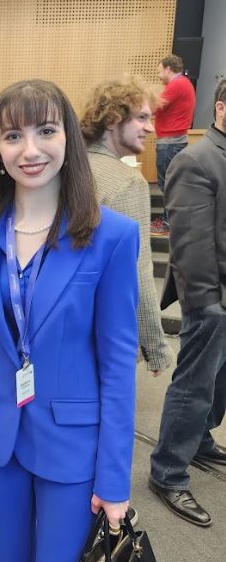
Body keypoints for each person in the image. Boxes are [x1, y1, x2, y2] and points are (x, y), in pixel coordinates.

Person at [0, 79, 139, 562]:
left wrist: (114, 481)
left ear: (68, 136)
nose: (30, 149)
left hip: (72, 442)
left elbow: (117, 365)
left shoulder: (111, 235)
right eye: (13, 135)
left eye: (45, 130)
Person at [149, 78, 226, 527]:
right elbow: (190, 240)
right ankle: (169, 471)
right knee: (194, 386)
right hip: (210, 297)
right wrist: (208, 305)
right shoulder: (197, 160)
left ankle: (199, 442)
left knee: (220, 383)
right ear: (219, 108)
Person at [81, 77, 173, 375]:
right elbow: (139, 271)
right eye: (142, 118)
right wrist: (155, 347)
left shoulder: (67, 167)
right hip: (105, 331)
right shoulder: (128, 183)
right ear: (112, 120)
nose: (151, 129)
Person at [151, 55, 195, 235]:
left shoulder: (177, 84)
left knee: (168, 185)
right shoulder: (182, 84)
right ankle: (168, 220)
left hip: (170, 143)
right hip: (173, 141)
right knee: (170, 183)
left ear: (169, 69)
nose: (159, 75)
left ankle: (168, 223)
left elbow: (154, 107)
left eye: (160, 71)